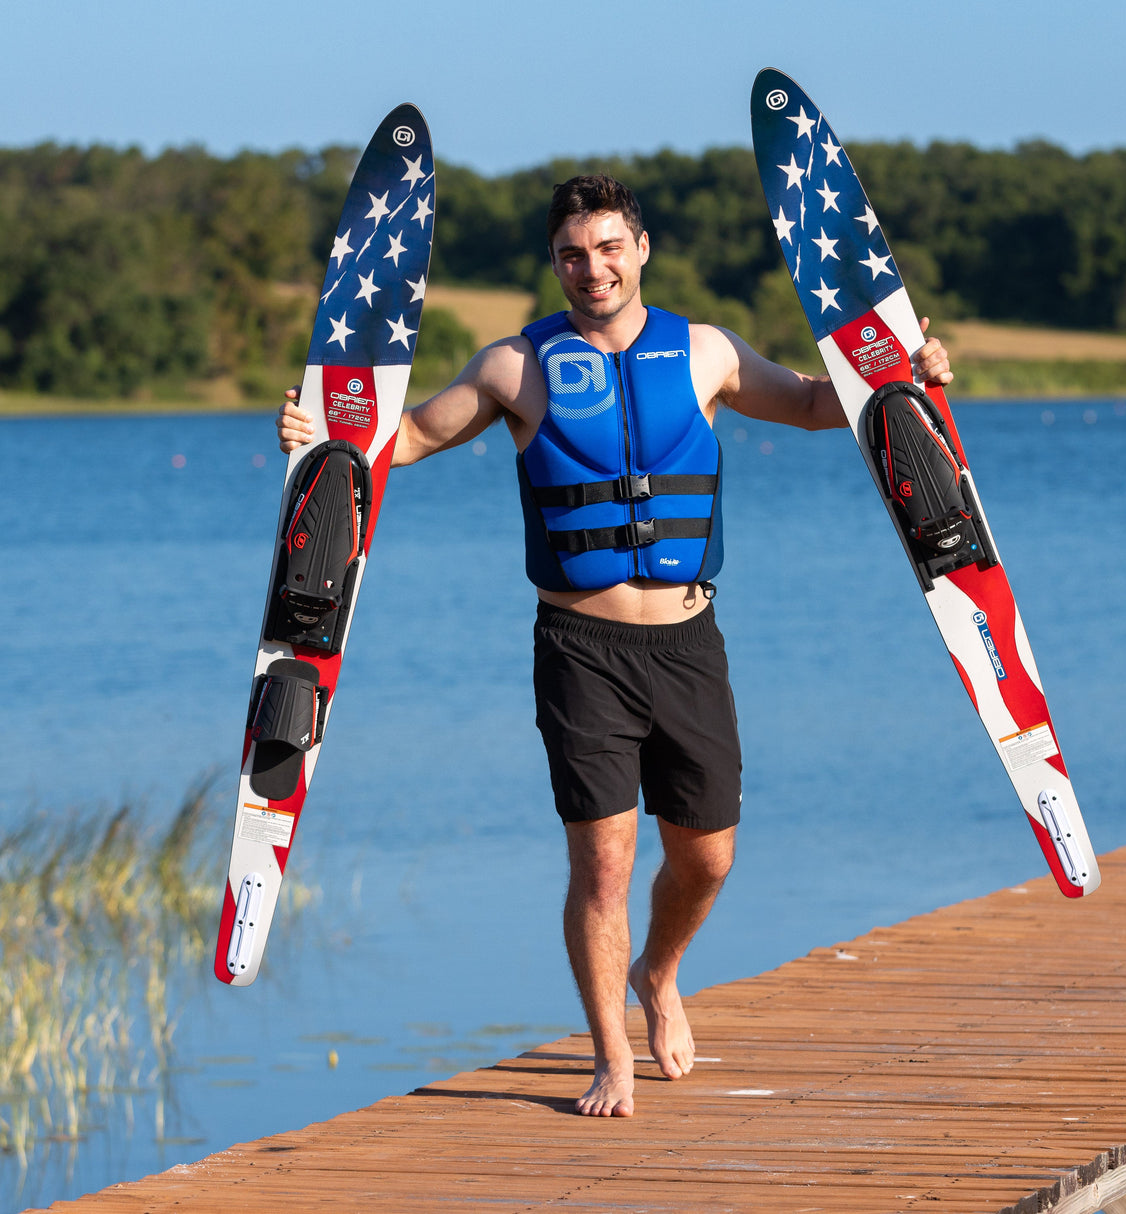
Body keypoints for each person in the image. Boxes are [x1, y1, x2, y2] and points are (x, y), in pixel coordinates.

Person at [277, 175, 953, 1118]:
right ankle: (610, 1058)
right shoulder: (516, 368)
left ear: (639, 249)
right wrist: (321, 438)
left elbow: (808, 404)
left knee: (708, 858)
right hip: (580, 649)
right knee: (601, 865)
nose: (590, 268)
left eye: (606, 248)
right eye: (570, 253)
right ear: (554, 263)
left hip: (687, 644)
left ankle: (659, 972)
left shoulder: (706, 351)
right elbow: (407, 442)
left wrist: (900, 377)